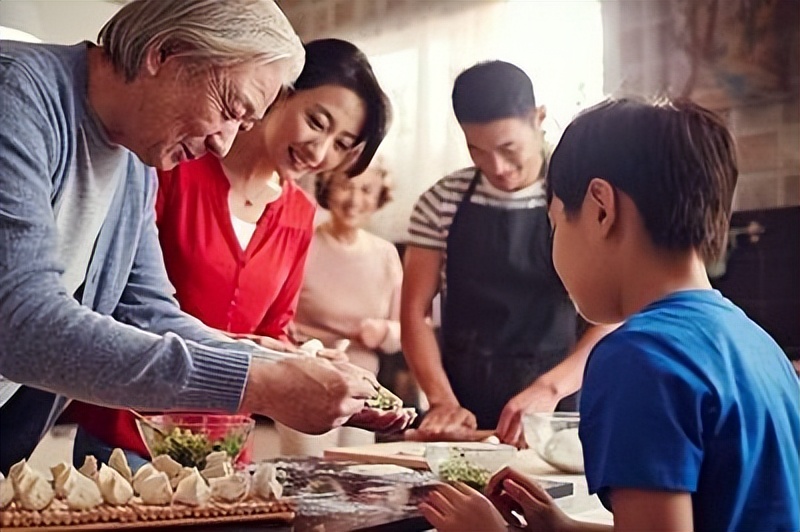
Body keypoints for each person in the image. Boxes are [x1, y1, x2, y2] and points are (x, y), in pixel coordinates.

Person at [0, 0, 406, 475]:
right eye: (230, 109)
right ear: (165, 53)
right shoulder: (16, 96)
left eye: (245, 123)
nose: (224, 143)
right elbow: (18, 320)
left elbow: (150, 313)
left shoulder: (137, 159)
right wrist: (258, 382)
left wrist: (274, 364)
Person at [419, 98, 800, 532]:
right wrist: (562, 528)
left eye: (556, 223)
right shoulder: (755, 341)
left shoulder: (639, 356)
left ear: (601, 208)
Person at [402, 61, 613, 445]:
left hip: (559, 402)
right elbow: (414, 312)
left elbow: (614, 313)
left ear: (539, 118)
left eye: (507, 147)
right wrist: (442, 402)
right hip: (464, 404)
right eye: (476, 150)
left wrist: (551, 389)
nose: (495, 167)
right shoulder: (441, 201)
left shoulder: (579, 197)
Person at [278, 159, 403, 455]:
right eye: (345, 187)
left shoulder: (386, 254)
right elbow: (277, 316)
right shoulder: (303, 243)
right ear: (327, 190)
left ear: (379, 197)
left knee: (359, 481)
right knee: (305, 478)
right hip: (308, 381)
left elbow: (403, 330)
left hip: (363, 391)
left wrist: (383, 332)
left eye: (366, 190)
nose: (354, 200)